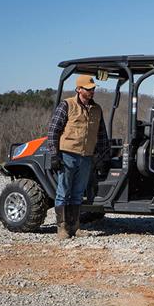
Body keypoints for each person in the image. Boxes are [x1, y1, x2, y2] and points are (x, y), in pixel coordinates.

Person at [48, 75, 110, 239]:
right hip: (67, 155)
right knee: (63, 192)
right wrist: (54, 155)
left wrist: (103, 157)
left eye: (93, 88)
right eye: (89, 89)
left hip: (86, 157)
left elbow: (102, 134)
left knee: (77, 193)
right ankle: (61, 229)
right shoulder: (67, 105)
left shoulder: (97, 109)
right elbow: (53, 131)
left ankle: (74, 228)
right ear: (79, 89)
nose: (92, 91)